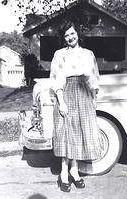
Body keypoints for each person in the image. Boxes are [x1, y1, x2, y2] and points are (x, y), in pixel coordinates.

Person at [50, 20, 103, 192]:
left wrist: (94, 99)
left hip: (84, 93)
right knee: (67, 132)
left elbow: (93, 77)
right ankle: (64, 172)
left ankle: (75, 170)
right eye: (66, 35)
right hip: (66, 92)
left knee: (80, 132)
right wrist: (61, 101)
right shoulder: (60, 54)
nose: (70, 37)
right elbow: (57, 78)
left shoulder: (88, 54)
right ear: (63, 38)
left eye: (72, 33)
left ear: (77, 33)